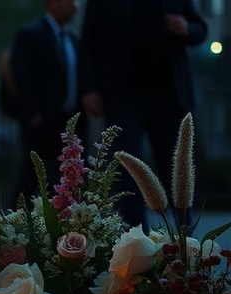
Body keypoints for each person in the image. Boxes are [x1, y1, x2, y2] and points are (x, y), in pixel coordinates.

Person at [79, 0, 207, 228]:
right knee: (129, 167)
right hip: (122, 95)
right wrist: (90, 88)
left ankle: (186, 237)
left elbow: (199, 27)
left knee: (177, 166)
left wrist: (187, 28)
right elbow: (88, 40)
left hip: (168, 94)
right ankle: (137, 238)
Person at [8, 0, 86, 204]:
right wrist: (33, 112)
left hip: (69, 122)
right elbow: (20, 73)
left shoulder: (74, 40)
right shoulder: (31, 35)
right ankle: (13, 216)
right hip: (42, 122)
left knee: (66, 180)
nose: (75, 6)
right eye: (69, 1)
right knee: (32, 174)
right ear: (52, 3)